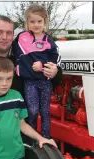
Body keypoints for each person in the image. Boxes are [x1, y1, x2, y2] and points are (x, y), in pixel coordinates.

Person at [0, 15, 62, 98]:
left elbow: (50, 80)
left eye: (9, 33)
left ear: (13, 34)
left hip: (23, 110)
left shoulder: (25, 55)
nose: (4, 37)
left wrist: (55, 73)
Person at [13, 4, 60, 139]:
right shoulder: (22, 38)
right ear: (27, 23)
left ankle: (46, 138)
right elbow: (11, 48)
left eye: (39, 21)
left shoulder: (48, 41)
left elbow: (55, 59)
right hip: (30, 82)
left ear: (45, 22)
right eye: (32, 21)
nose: (36, 24)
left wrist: (43, 65)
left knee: (45, 111)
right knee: (32, 110)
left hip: (45, 82)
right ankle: (32, 138)